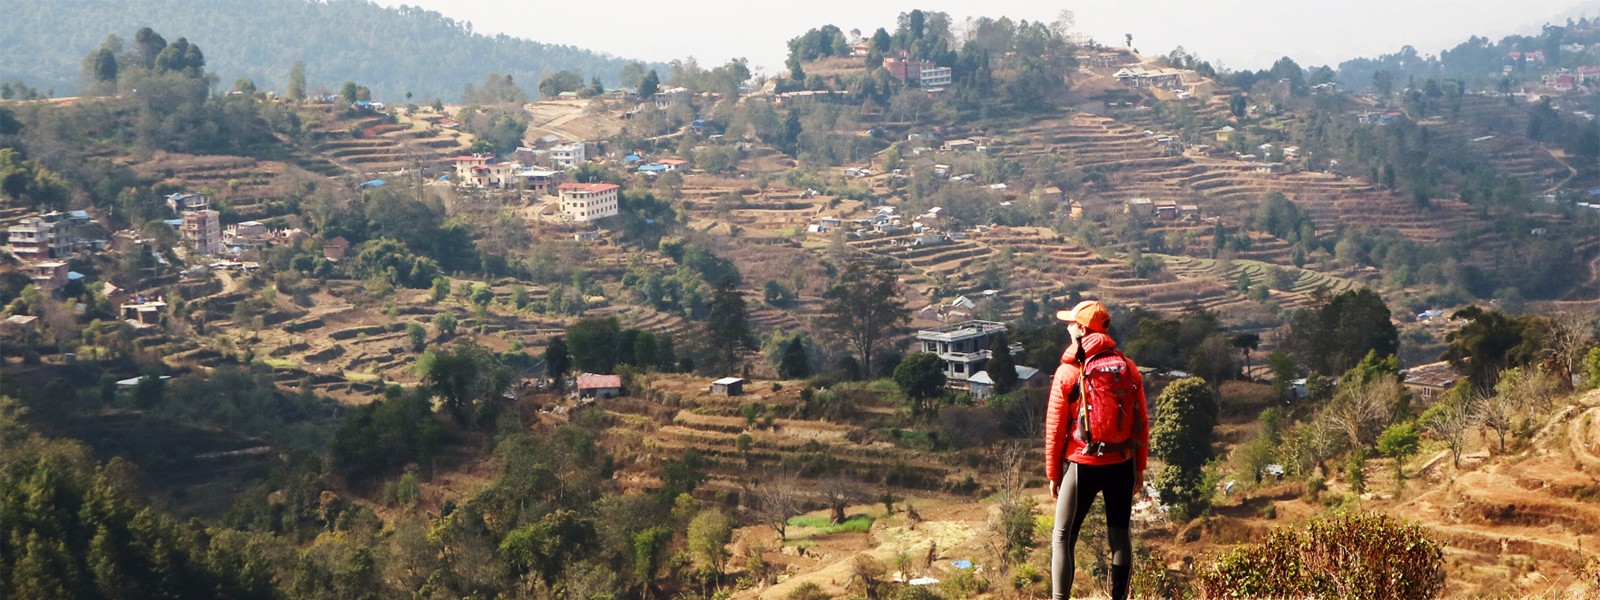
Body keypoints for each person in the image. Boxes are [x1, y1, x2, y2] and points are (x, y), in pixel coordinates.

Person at [1044, 300, 1149, 600]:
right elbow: (1141, 423)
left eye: (1070, 323)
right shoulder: (1127, 367)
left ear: (1081, 329)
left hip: (1083, 464)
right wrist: (1138, 468)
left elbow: (1054, 429)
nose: (1066, 327)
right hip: (1121, 463)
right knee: (1118, 535)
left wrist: (1054, 474)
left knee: (1063, 536)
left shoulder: (1068, 372)